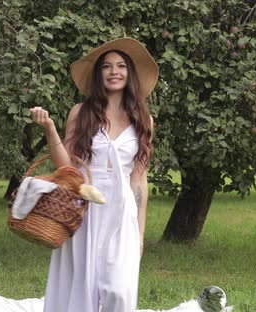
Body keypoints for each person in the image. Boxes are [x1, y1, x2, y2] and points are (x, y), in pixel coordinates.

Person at [29, 37, 159, 312]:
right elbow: (66, 164)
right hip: (84, 206)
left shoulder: (144, 119)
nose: (115, 71)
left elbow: (139, 181)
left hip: (122, 210)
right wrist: (50, 129)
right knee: (81, 288)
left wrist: (140, 234)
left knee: (119, 292)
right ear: (99, 74)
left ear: (129, 74)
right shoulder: (81, 112)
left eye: (121, 66)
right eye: (107, 66)